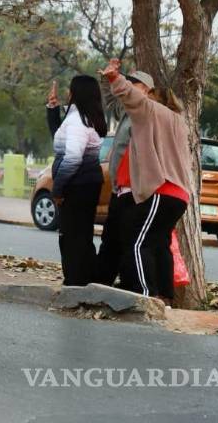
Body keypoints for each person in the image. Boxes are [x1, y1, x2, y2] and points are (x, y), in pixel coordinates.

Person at [101, 59, 194, 301]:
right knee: (158, 243)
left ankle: (145, 295)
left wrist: (114, 78)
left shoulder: (152, 112)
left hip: (162, 192)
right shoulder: (179, 123)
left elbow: (132, 97)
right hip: (179, 196)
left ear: (154, 97)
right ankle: (164, 296)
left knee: (135, 241)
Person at [94, 68, 155, 286]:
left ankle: (130, 285)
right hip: (118, 188)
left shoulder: (144, 113)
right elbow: (112, 98)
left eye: (133, 85)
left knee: (128, 240)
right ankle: (102, 282)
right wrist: (107, 78)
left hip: (133, 190)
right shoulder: (128, 112)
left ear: (146, 91)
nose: (127, 88)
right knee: (110, 239)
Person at [49, 75, 107, 286]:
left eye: (70, 89)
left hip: (77, 185)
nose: (67, 93)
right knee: (82, 234)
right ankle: (85, 278)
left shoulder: (77, 121)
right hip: (88, 183)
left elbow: (72, 157)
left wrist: (57, 189)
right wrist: (52, 109)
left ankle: (75, 281)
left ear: (76, 93)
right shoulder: (87, 118)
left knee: (71, 235)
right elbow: (58, 137)